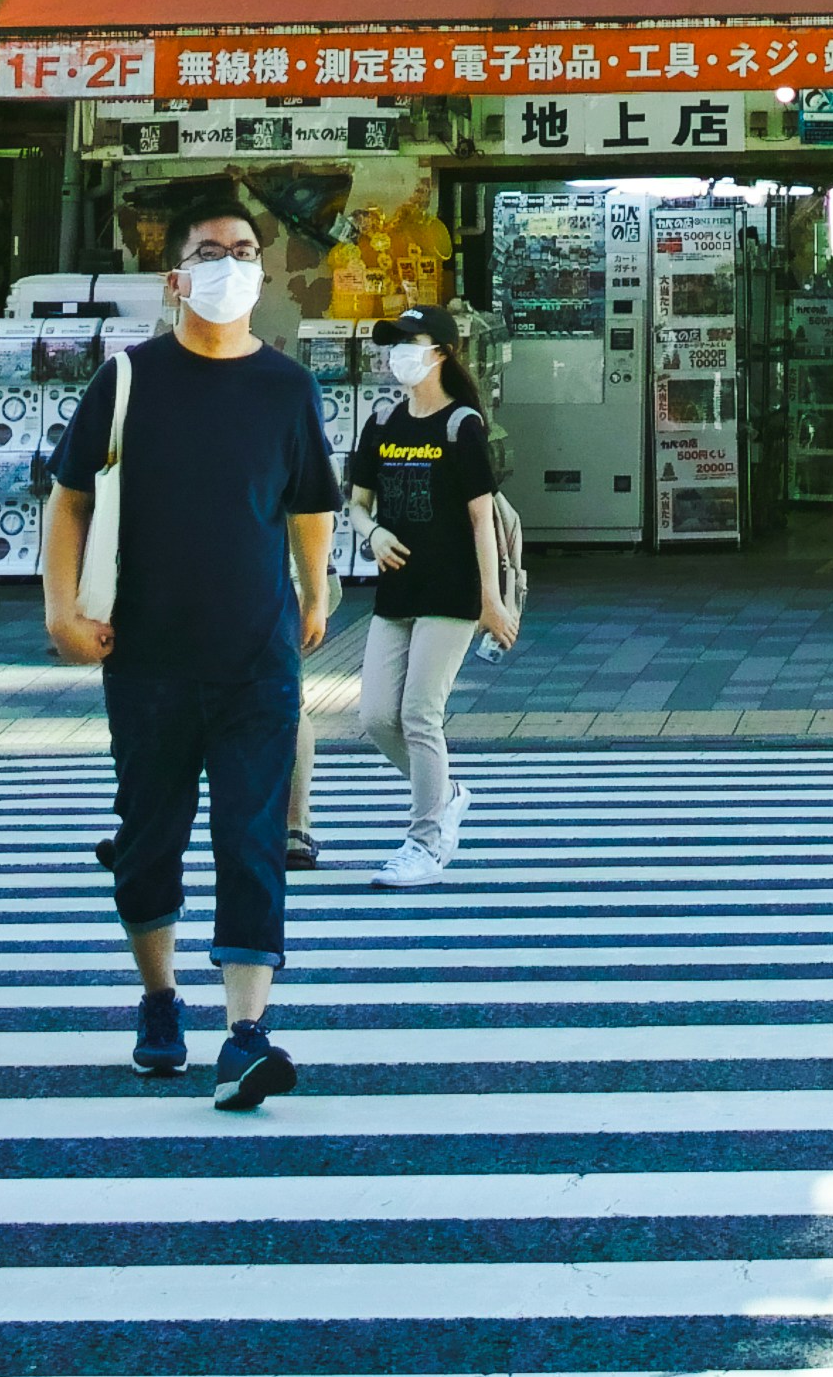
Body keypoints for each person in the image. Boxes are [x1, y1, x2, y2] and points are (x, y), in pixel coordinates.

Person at [42, 197, 342, 1110]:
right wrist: (60, 609)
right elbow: (69, 501)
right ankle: (160, 999)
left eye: (244, 251)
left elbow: (307, 503)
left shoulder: (289, 387)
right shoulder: (129, 380)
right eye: (209, 252)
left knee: (252, 842)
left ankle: (246, 1036)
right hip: (148, 652)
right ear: (175, 278)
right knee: (149, 841)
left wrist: (317, 589)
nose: (229, 264)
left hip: (257, 652)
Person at [328, 315, 517, 884]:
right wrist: (371, 532)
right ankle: (449, 792)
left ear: (440, 353)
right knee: (377, 715)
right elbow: (357, 503)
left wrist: (491, 601)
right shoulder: (382, 420)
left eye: (407, 346)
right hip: (398, 590)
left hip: (453, 588)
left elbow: (481, 517)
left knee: (418, 714)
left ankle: (426, 843)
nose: (396, 357)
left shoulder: (463, 425)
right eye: (391, 347)